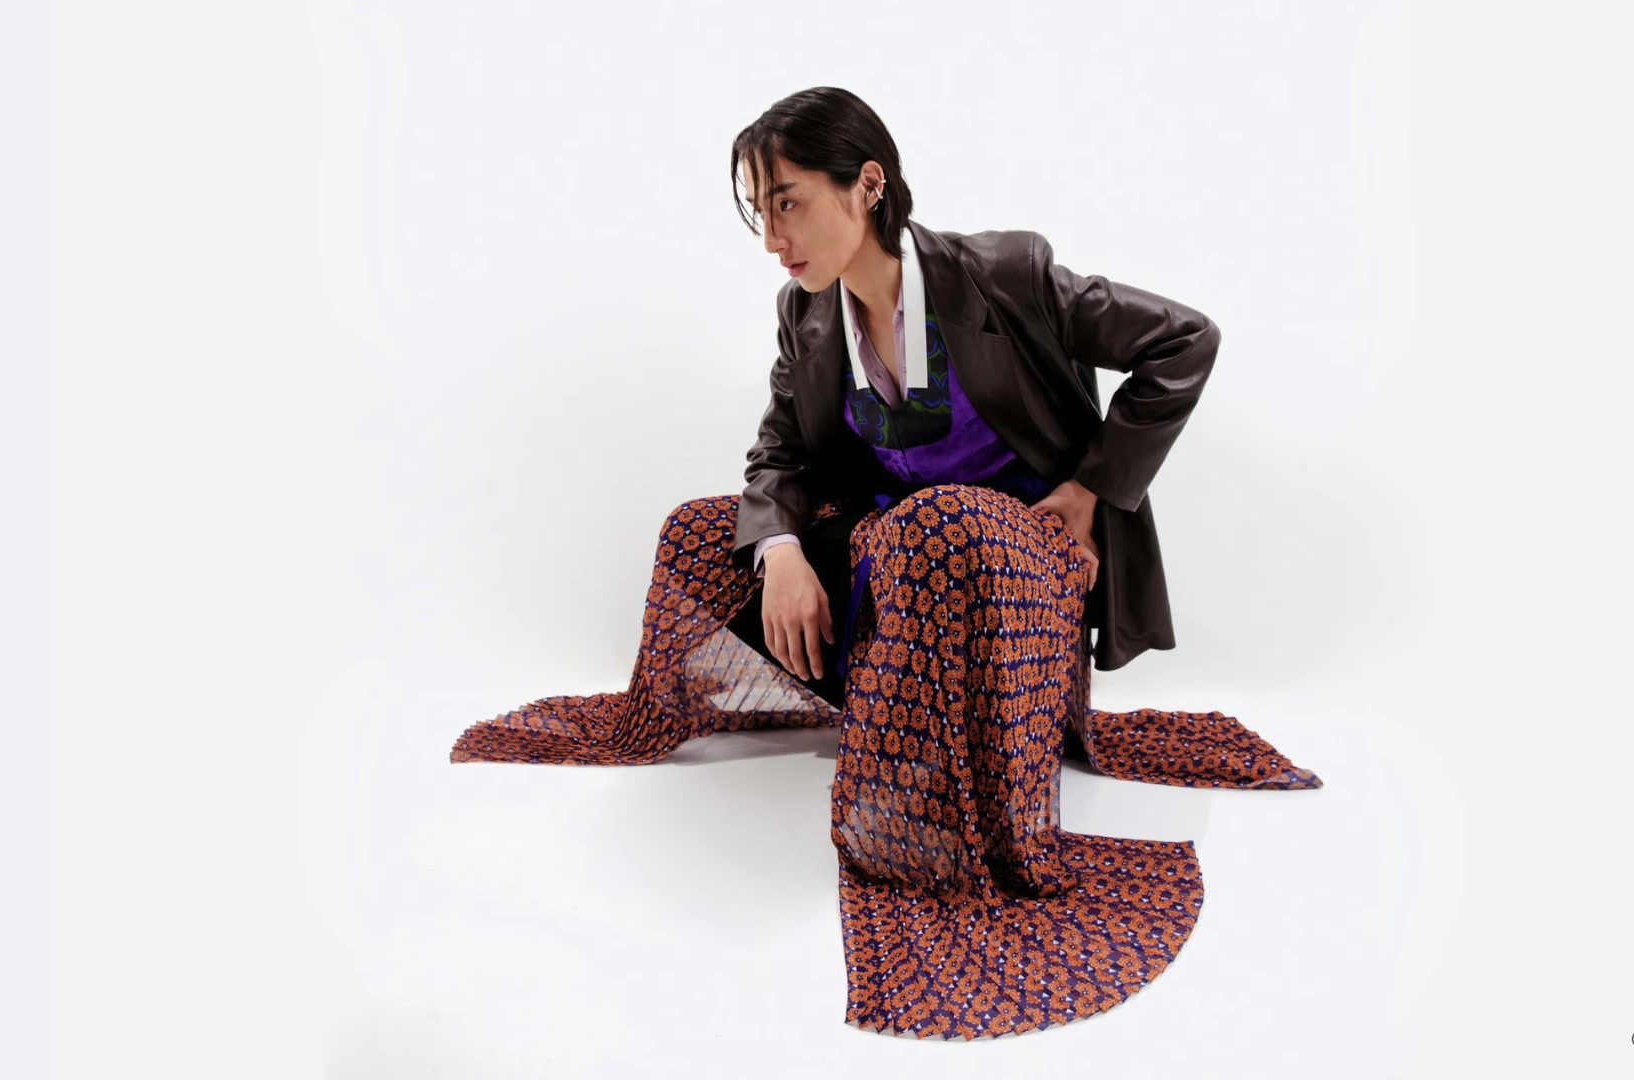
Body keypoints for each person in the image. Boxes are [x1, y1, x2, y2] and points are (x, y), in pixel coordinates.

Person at [452, 86, 1322, 1040]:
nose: (773, 238)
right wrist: (782, 550)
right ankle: (864, 693)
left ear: (867, 185)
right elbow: (778, 454)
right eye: (760, 212)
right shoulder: (806, 311)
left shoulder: (1005, 273)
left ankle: (938, 768)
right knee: (702, 537)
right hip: (893, 566)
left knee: (932, 524)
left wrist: (1087, 491)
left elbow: (1185, 340)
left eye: (788, 203)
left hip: (1015, 578)